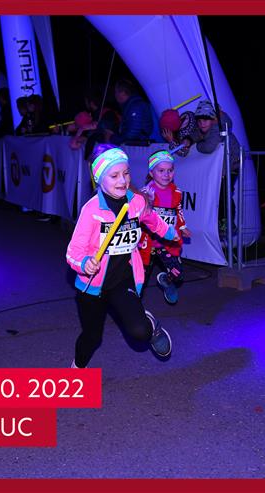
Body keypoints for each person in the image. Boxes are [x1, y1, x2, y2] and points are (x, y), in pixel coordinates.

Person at [66, 144, 178, 368]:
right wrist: (85, 263)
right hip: (92, 286)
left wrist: (169, 232)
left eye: (126, 173)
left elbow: (152, 219)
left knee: (140, 332)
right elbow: (73, 252)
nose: (122, 180)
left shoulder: (136, 202)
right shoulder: (91, 211)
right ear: (99, 179)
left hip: (123, 280)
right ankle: (77, 368)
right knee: (92, 337)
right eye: (114, 175)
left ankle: (150, 325)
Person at [139, 150, 191, 304]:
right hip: (148, 244)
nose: (166, 174)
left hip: (167, 244)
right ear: (151, 173)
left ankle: (166, 281)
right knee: (139, 279)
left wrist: (182, 226)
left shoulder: (176, 192)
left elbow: (178, 210)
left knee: (178, 274)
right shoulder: (146, 192)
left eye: (170, 170)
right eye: (161, 170)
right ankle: (133, 305)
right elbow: (138, 216)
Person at [108, 79, 154, 145]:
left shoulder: (136, 106)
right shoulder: (129, 106)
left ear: (123, 92)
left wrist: (112, 138)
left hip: (139, 147)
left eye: (116, 92)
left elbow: (133, 133)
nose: (115, 95)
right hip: (136, 145)